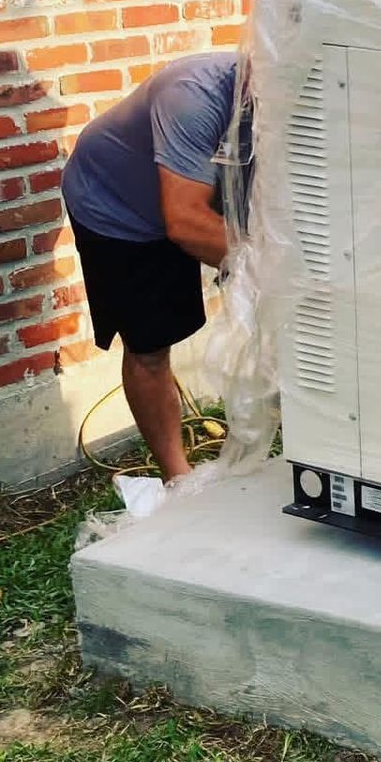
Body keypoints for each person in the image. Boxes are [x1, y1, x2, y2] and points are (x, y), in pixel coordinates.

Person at [62, 51, 246, 482]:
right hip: (116, 206)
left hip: (193, 198)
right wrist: (267, 273)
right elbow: (185, 222)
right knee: (149, 346)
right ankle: (177, 479)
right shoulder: (194, 94)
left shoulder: (306, 100)